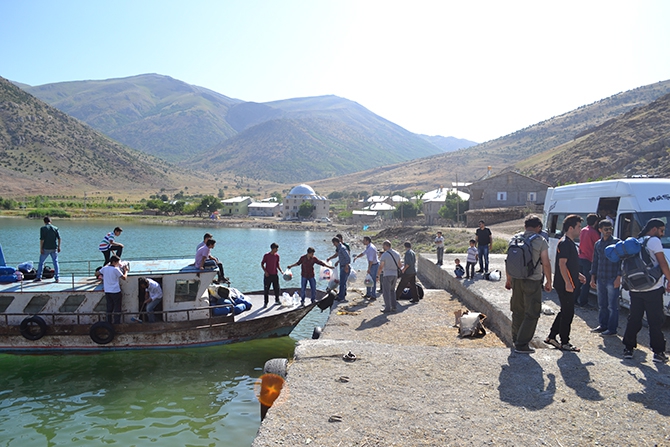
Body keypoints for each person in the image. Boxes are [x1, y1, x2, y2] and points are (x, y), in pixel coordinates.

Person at [622, 218, 670, 363]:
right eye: (661, 230)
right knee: (655, 321)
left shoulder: (637, 241)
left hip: (635, 288)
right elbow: (662, 262)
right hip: (652, 288)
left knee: (634, 319)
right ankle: (658, 352)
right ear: (654, 229)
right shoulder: (654, 241)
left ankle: (628, 349)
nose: (662, 234)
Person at [505, 215, 552, 354]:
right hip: (533, 280)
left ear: (525, 226)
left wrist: (508, 279)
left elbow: (509, 261)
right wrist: (549, 281)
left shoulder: (514, 239)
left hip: (516, 279)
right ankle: (522, 344)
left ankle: (516, 339)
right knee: (532, 312)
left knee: (517, 310)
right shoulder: (540, 240)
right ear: (538, 227)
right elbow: (546, 263)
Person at [546, 214, 586, 352]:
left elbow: (569, 265)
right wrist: (568, 283)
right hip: (565, 284)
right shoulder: (564, 243)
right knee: (568, 313)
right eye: (579, 227)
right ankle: (565, 342)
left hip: (569, 282)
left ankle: (551, 336)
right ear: (571, 228)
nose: (581, 229)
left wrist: (578, 275)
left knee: (565, 311)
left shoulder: (569, 243)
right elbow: (562, 265)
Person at [589, 219, 621, 336]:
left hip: (612, 278)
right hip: (601, 278)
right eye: (606, 229)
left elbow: (621, 262)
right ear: (600, 230)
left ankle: (612, 329)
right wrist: (592, 277)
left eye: (610, 229)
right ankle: (603, 325)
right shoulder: (598, 244)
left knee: (612, 306)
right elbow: (595, 261)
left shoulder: (617, 243)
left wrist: (619, 277)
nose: (609, 231)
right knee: (602, 304)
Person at [575, 213, 600, 308]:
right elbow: (599, 245)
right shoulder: (594, 233)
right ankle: (583, 302)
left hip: (580, 257)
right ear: (596, 222)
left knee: (579, 281)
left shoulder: (583, 230)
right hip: (589, 259)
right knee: (586, 282)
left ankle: (574, 299)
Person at [100, 255, 128, 324]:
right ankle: (116, 323)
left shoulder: (104, 268)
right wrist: (126, 271)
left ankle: (108, 322)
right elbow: (124, 278)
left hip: (107, 291)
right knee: (117, 308)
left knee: (109, 308)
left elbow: (97, 273)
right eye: (118, 262)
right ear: (114, 262)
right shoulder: (116, 269)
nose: (119, 264)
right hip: (115, 291)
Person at [377, 240, 401, 313]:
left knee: (386, 292)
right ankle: (394, 306)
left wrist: (377, 275)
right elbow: (399, 265)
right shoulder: (397, 253)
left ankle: (387, 308)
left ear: (386, 246)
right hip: (395, 274)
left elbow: (381, 266)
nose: (383, 247)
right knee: (392, 291)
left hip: (387, 274)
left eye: (383, 246)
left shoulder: (385, 255)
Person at [34, 216, 61, 283]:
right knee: (55, 262)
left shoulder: (43, 228)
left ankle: (39, 277)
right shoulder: (55, 228)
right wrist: (59, 247)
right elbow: (59, 238)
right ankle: (57, 278)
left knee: (41, 263)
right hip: (54, 248)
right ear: (50, 221)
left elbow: (42, 240)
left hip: (46, 248)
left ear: (44, 222)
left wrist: (41, 248)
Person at [261, 243, 284, 307]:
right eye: (276, 248)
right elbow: (262, 264)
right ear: (273, 248)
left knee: (276, 288)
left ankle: (277, 300)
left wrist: (281, 271)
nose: (277, 250)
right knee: (266, 289)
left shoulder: (277, 256)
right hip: (268, 275)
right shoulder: (266, 255)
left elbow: (277, 265)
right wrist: (265, 271)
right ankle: (266, 303)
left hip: (275, 275)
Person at [330, 237, 351, 302]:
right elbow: (340, 256)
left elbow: (348, 258)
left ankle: (341, 298)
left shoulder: (342, 248)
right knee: (343, 282)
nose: (333, 244)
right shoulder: (339, 248)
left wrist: (346, 266)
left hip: (344, 267)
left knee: (342, 283)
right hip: (342, 266)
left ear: (336, 242)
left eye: (334, 243)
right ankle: (342, 295)